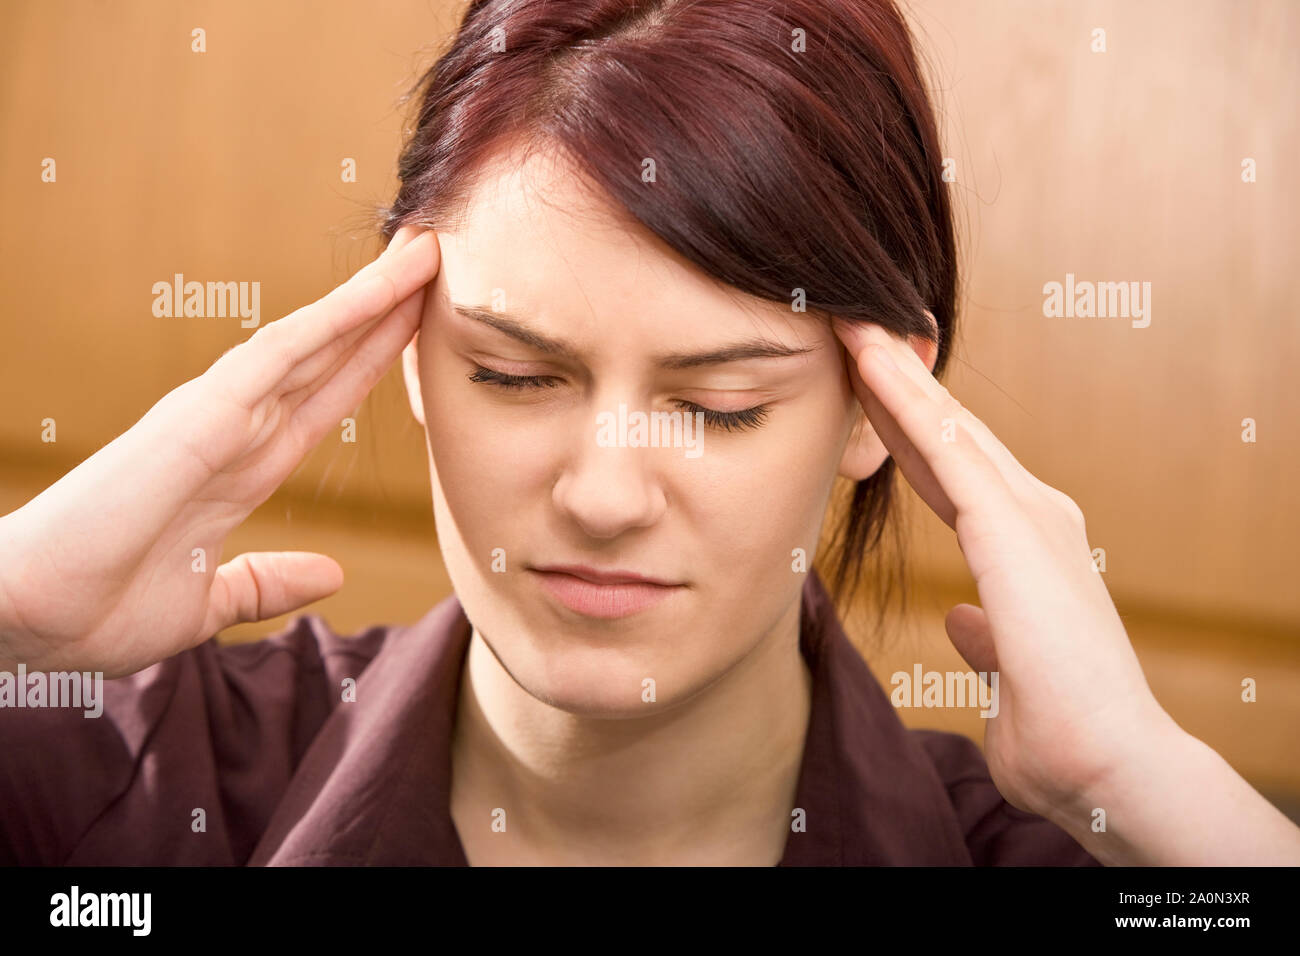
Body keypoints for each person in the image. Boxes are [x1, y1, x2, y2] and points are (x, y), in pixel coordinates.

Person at [2, 0, 1298, 867]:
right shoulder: (131, 787)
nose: (606, 493)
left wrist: (1141, 792)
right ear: (400, 346)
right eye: (513, 375)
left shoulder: (1103, 855)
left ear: (881, 407)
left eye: (717, 404)